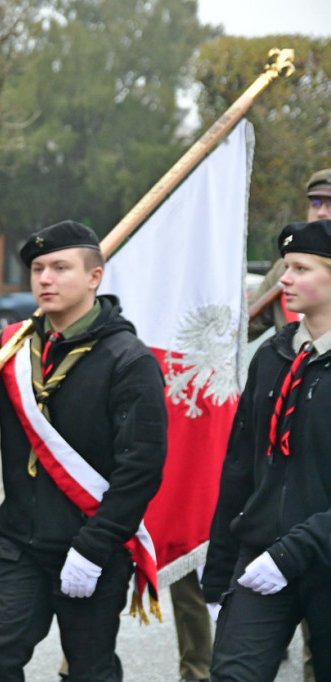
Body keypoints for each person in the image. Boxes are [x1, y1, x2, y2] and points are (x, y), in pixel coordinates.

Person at [0, 220, 167, 682]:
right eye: (37, 269)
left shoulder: (129, 360)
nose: (44, 279)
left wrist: (93, 549)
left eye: (60, 268)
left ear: (94, 277)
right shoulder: (12, 348)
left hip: (93, 544)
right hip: (18, 544)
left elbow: (141, 470)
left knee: (91, 670)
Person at [202, 219, 331, 682]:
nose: (285, 279)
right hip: (260, 557)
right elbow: (240, 466)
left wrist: (295, 551)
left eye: (301, 268)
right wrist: (218, 570)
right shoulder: (274, 356)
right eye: (286, 266)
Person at [248, 168, 331, 342]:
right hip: (296, 365)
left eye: (330, 204)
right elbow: (242, 328)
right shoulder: (284, 270)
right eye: (315, 203)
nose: (322, 212)